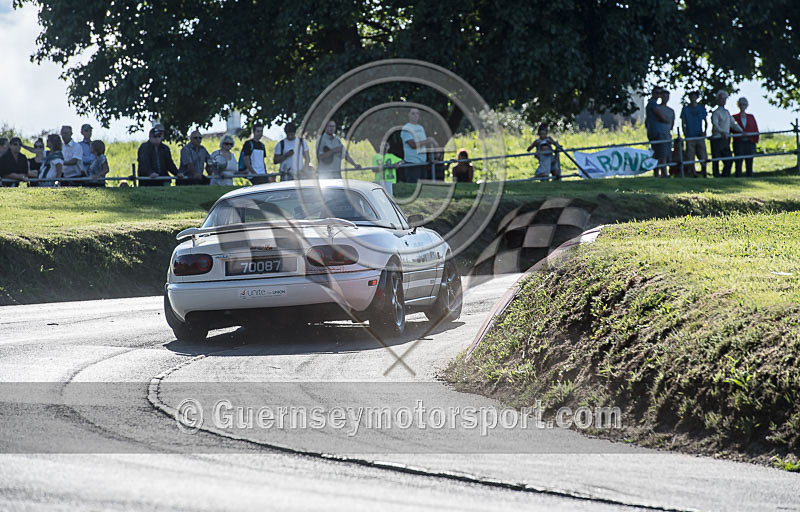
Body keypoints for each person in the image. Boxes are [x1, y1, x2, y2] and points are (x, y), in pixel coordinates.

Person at [710, 90, 743, 178]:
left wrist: (742, 131)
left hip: (725, 139)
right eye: (722, 99)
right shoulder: (716, 113)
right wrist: (721, 132)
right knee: (716, 159)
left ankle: (725, 176)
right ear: (718, 100)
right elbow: (715, 124)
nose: (724, 101)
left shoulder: (727, 112)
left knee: (728, 159)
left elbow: (733, 124)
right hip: (717, 139)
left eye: (725, 99)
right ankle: (716, 176)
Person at [401, 108, 436, 183]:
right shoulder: (406, 128)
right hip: (412, 162)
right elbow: (412, 145)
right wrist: (428, 140)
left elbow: (424, 144)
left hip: (423, 161)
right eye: (413, 113)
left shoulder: (421, 128)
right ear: (409, 115)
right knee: (413, 186)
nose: (415, 115)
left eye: (417, 113)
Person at [680, 91, 708, 177]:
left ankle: (704, 172)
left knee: (702, 154)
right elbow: (683, 122)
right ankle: (693, 172)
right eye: (691, 97)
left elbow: (705, 121)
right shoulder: (685, 109)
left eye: (694, 96)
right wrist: (685, 133)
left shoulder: (701, 108)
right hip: (690, 136)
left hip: (699, 135)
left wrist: (704, 131)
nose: (693, 98)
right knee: (690, 155)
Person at [645, 86, 670, 177]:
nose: (658, 95)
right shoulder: (652, 104)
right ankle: (664, 174)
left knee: (657, 154)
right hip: (658, 133)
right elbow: (662, 117)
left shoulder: (651, 104)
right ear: (653, 93)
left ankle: (657, 174)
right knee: (661, 155)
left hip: (653, 132)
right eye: (657, 93)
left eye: (660, 93)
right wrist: (666, 119)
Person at [732, 97, 759, 178]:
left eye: (744, 104)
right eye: (740, 104)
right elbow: (732, 128)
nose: (742, 106)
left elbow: (755, 129)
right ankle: (738, 176)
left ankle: (749, 176)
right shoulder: (734, 117)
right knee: (738, 161)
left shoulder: (751, 117)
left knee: (749, 161)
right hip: (739, 142)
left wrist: (755, 140)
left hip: (749, 142)